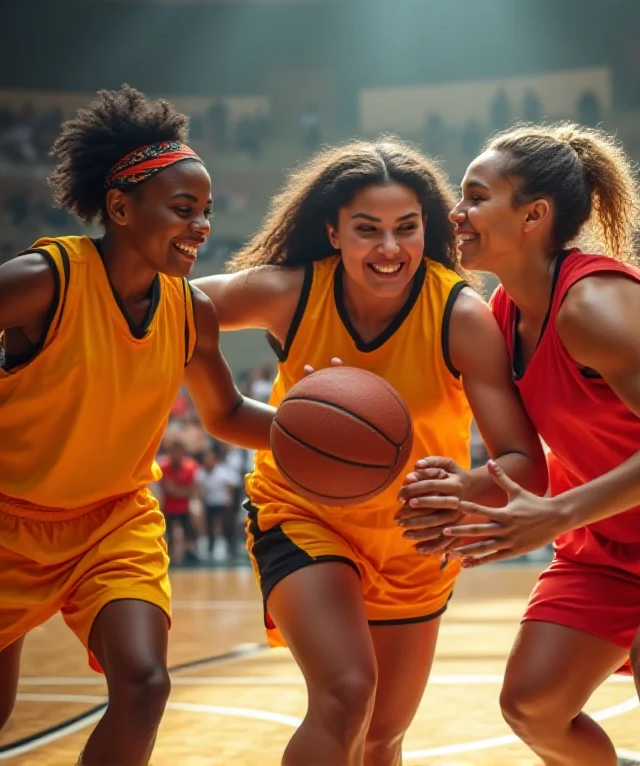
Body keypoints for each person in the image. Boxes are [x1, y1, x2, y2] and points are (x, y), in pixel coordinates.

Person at [400, 123, 640, 766]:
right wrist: (467, 490)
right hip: (618, 517)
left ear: (533, 215)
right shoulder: (502, 314)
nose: (457, 212)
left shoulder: (591, 305)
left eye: (476, 196)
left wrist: (560, 513)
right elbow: (526, 464)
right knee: (533, 704)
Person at [193, 137, 546, 766]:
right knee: (347, 694)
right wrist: (227, 401)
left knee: (382, 737)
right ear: (333, 231)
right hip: (303, 519)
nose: (389, 248)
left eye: (406, 228)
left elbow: (525, 463)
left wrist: (460, 489)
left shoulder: (459, 315)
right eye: (367, 230)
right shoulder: (292, 292)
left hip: (415, 537)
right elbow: (173, 308)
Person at [0, 86, 278, 766]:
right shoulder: (44, 281)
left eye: (206, 212)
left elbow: (229, 414)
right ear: (120, 207)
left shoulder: (191, 311)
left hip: (112, 521)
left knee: (146, 683)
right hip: (7, 519)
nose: (202, 226)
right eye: (184, 209)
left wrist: (318, 436)